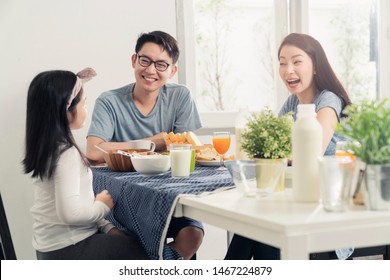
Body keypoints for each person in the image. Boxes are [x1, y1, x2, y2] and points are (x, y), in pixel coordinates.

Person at [225, 33, 352, 260]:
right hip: (296, 201)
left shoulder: (329, 100)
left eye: (296, 61)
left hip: (325, 212)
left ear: (315, 66)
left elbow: (311, 152)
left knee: (255, 229)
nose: (287, 70)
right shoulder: (293, 102)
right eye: (282, 63)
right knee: (252, 224)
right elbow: (272, 146)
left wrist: (273, 153)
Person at [86, 31, 203, 260]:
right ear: (134, 60)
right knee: (125, 243)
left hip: (169, 195)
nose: (151, 70)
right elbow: (93, 150)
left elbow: (188, 148)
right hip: (121, 201)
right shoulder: (109, 101)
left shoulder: (180, 97)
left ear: (172, 71)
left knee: (193, 234)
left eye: (161, 64)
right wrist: (152, 143)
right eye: (145, 60)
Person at [22, 68, 148, 260]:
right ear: (67, 110)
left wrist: (107, 227)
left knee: (124, 240)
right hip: (69, 248)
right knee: (141, 248)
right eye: (84, 102)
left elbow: (77, 203)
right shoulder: (66, 154)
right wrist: (102, 205)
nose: (86, 108)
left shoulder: (48, 148)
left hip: (50, 249)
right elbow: (71, 214)